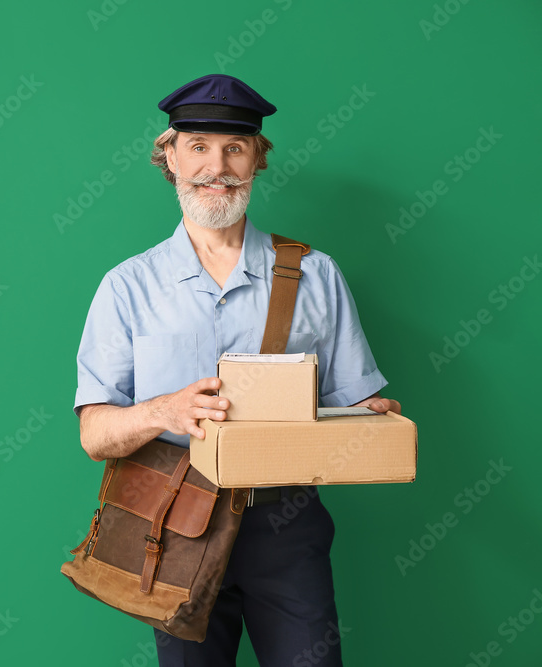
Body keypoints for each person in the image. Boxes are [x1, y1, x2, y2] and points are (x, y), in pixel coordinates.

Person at [72, 74, 402, 667]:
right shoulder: (126, 287)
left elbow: (352, 407)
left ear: (258, 159)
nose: (215, 165)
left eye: (234, 147)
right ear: (169, 157)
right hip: (172, 527)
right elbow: (95, 436)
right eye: (197, 145)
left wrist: (367, 421)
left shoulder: (317, 274)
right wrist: (162, 410)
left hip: (287, 526)